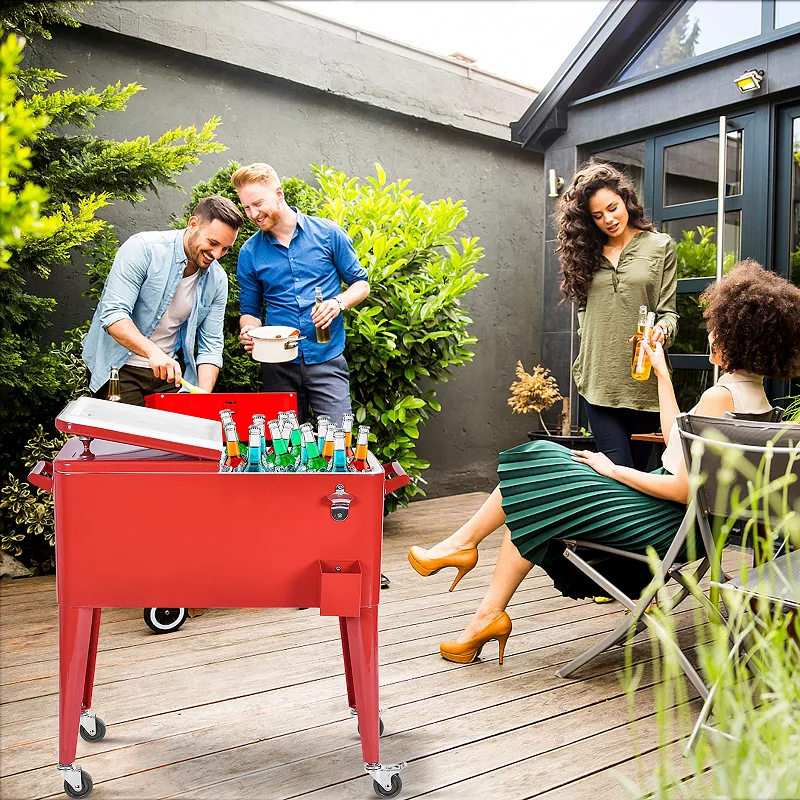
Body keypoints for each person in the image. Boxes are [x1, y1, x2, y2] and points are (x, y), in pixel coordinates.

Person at [407, 261, 800, 664]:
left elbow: (681, 488)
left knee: (539, 460)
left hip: (665, 524)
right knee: (534, 501)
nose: (711, 332)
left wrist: (612, 468)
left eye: (717, 326)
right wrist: (663, 376)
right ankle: (484, 613)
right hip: (700, 532)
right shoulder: (763, 409)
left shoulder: (721, 396)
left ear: (733, 339)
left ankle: (464, 549)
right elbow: (676, 443)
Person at [558, 161, 679, 472]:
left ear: (626, 198)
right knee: (618, 470)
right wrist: (588, 341)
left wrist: (662, 331)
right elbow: (584, 307)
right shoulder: (586, 252)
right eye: (598, 216)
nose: (608, 219)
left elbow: (668, 312)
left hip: (643, 384)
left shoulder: (661, 246)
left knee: (637, 475)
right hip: (598, 381)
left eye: (612, 208)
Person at [231, 163, 370, 424]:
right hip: (278, 366)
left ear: (279, 194)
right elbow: (250, 312)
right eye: (247, 207)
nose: (253, 214)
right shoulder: (249, 253)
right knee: (283, 451)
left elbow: (361, 285)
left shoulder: (329, 234)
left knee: (339, 443)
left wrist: (338, 303)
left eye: (258, 204)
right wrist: (248, 332)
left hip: (327, 360)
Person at [83, 195, 244, 405]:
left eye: (225, 248)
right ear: (193, 224)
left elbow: (211, 346)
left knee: (177, 437)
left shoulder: (218, 279)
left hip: (169, 377)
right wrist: (153, 353)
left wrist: (203, 397)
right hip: (119, 368)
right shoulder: (143, 249)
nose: (217, 254)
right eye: (212, 243)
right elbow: (114, 316)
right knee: (132, 437)